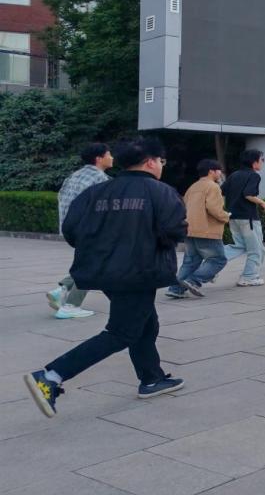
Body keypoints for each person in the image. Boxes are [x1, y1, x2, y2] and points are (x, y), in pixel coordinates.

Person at [24, 137, 187, 418]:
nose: (162, 165)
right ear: (150, 162)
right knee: (122, 332)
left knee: (145, 323)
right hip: (140, 272)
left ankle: (152, 378)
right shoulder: (161, 192)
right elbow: (174, 231)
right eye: (161, 161)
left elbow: (71, 229)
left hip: (105, 271)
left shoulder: (95, 192)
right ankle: (50, 376)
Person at [45, 143, 113, 319]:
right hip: (91, 229)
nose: (112, 157)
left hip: (72, 228)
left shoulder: (75, 175)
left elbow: (62, 198)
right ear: (99, 158)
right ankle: (71, 305)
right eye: (109, 154)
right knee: (94, 266)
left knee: (90, 261)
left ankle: (62, 289)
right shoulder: (101, 179)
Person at [165, 160, 231, 299]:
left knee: (190, 262)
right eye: (219, 170)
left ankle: (176, 289)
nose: (220, 173)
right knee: (218, 259)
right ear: (211, 171)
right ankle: (193, 281)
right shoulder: (213, 186)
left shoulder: (193, 187)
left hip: (190, 229)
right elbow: (214, 208)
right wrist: (226, 216)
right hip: (207, 230)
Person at [222, 149, 265, 286]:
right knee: (257, 249)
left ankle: (214, 260)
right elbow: (248, 194)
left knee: (240, 246)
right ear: (254, 162)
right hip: (248, 218)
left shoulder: (234, 175)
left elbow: (221, 191)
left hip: (233, 217)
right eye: (262, 160)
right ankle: (249, 277)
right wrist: (262, 202)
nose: (263, 162)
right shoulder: (254, 175)